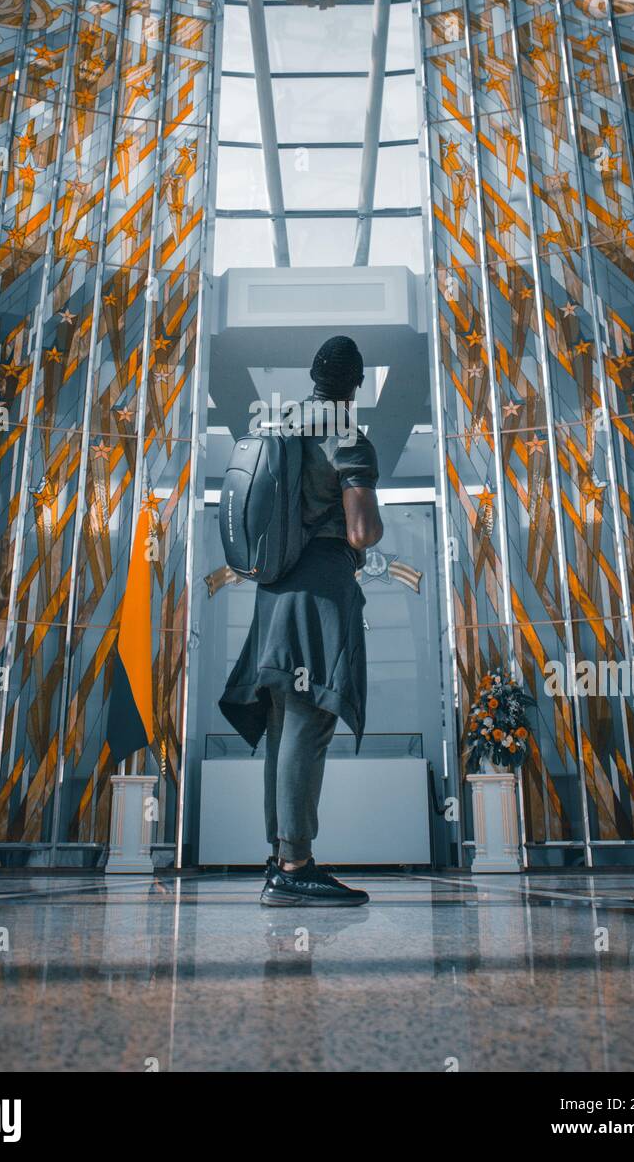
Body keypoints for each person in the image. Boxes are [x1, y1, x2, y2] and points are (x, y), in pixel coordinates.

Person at [219, 336, 383, 907]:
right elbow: (362, 533)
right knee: (310, 724)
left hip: (273, 592)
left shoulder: (281, 424)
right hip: (320, 594)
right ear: (355, 386)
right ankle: (296, 864)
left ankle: (281, 857)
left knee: (284, 727)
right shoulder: (348, 438)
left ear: (313, 376)